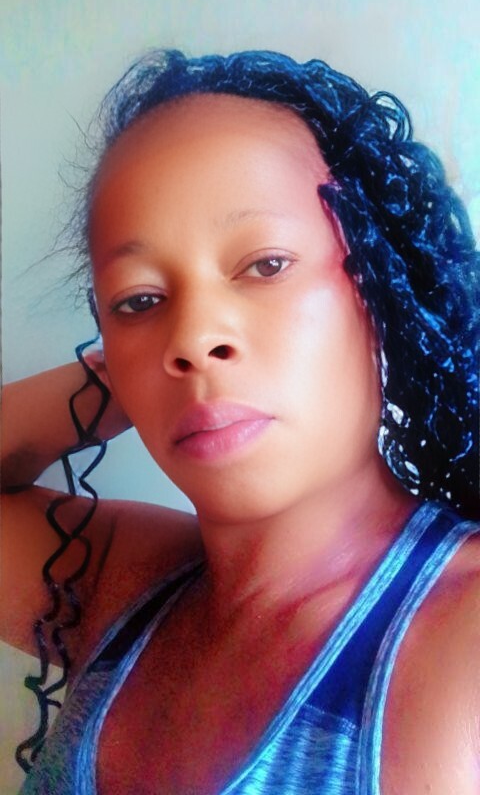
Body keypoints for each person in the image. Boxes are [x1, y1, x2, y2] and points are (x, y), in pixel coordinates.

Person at [1, 49, 479, 794]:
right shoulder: (117, 586)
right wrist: (122, 376)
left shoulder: (463, 639)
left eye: (265, 265)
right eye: (139, 301)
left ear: (380, 290)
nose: (193, 337)